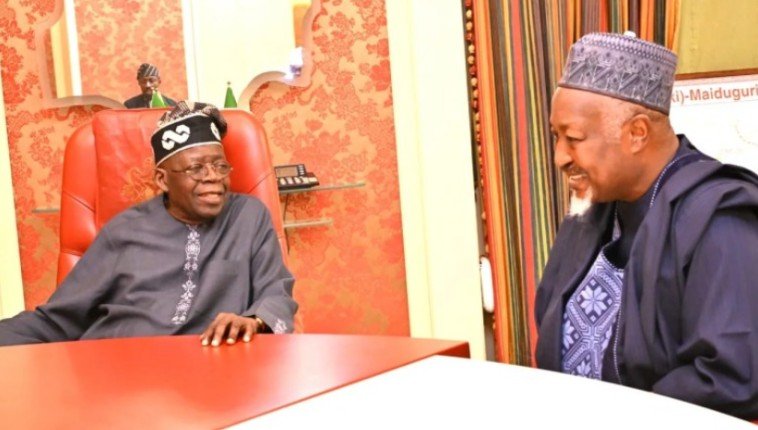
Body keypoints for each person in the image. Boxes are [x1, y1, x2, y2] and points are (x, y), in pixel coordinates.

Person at [535, 32, 758, 419]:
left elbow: (730, 376)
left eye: (573, 138)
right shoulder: (593, 206)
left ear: (637, 133)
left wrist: (617, 418)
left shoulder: (719, 218)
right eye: (556, 137)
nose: (559, 157)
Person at [0, 102, 297, 347]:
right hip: (120, 368)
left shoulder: (248, 216)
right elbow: (60, 318)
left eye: (220, 166)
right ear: (162, 180)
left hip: (210, 367)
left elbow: (275, 292)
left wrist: (254, 321)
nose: (213, 177)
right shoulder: (123, 231)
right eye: (196, 168)